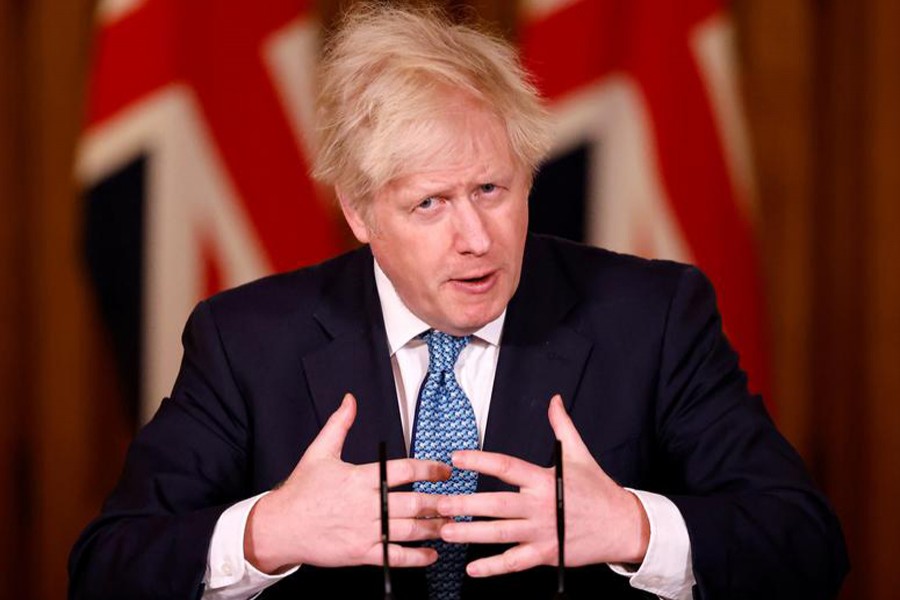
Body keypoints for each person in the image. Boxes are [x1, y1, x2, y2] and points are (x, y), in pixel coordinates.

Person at [68, 4, 848, 599]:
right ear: (360, 212)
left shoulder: (653, 316)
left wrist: (635, 527)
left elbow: (806, 546)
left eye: (491, 189)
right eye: (430, 204)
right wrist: (266, 533)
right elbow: (106, 567)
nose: (476, 238)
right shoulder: (246, 339)